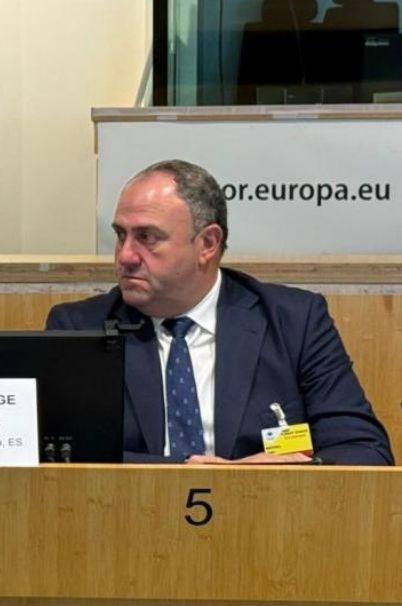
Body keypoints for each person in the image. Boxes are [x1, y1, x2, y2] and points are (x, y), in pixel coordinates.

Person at [46, 159, 392, 465]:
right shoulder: (79, 328)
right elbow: (59, 455)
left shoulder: (294, 321)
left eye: (147, 237)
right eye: (121, 235)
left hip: (268, 524)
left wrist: (283, 473)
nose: (125, 256)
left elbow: (363, 449)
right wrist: (189, 471)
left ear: (208, 244)